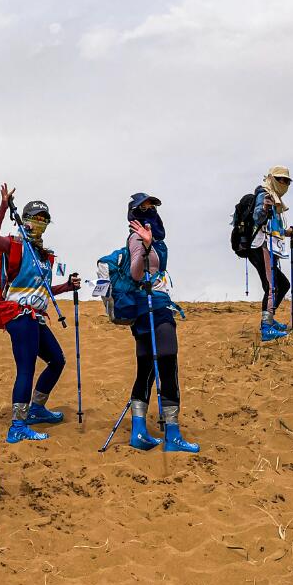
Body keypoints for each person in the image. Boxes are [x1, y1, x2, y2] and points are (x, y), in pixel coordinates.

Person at [0, 184, 80, 444]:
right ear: (24, 219)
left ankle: (36, 408)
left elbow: (43, 289)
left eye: (44, 219)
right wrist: (3, 206)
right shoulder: (16, 245)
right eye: (36, 217)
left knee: (57, 360)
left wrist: (67, 286)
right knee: (26, 368)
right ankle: (17, 425)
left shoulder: (43, 256)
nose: (40, 222)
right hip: (18, 314)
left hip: (36, 316)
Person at [125, 193, 200, 453]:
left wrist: (150, 243)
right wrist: (146, 245)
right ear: (134, 213)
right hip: (153, 308)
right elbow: (136, 272)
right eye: (144, 208)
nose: (150, 212)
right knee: (168, 365)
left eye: (152, 207)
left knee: (146, 368)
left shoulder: (152, 239)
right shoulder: (137, 237)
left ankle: (138, 433)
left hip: (147, 309)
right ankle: (173, 435)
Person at [246, 166, 293, 342]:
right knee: (273, 286)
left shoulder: (275, 197)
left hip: (268, 247)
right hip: (260, 246)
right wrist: (265, 208)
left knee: (283, 284)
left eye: (287, 181)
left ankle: (270, 320)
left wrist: (287, 232)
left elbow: (273, 227)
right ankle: (266, 328)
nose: (285, 183)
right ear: (273, 179)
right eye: (282, 179)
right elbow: (258, 218)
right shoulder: (264, 194)